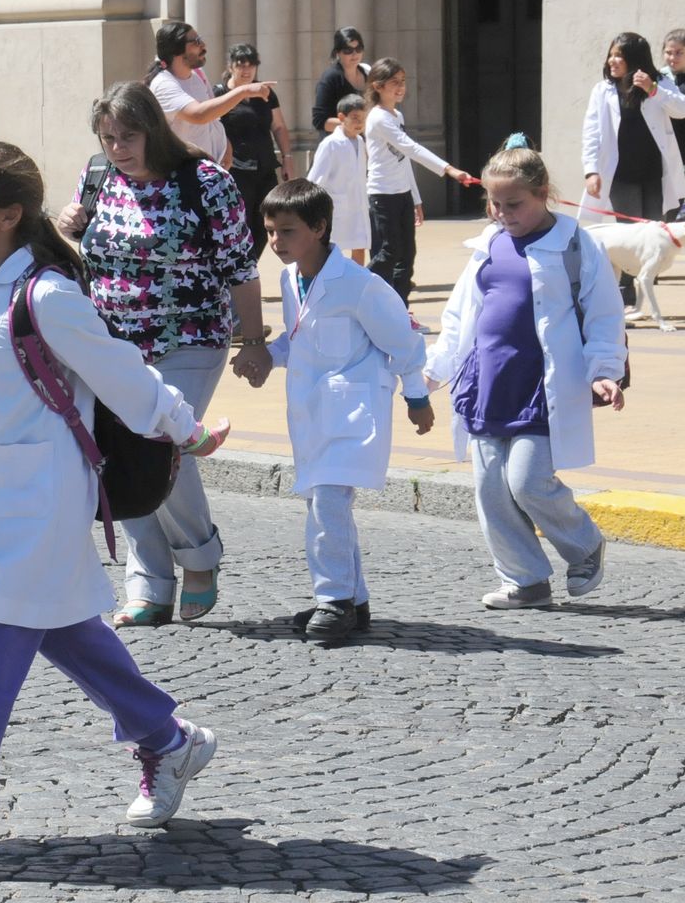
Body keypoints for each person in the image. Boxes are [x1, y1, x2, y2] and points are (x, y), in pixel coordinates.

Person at [0, 141, 228, 874]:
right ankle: (169, 740)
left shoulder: (46, 294)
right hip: (1, 500)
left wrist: (185, 426)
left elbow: (120, 369)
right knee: (67, 633)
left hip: (40, 503)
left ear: (9, 214)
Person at [56, 81, 270, 628]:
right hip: (111, 342)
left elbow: (242, 270)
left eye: (128, 136)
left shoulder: (206, 184)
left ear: (154, 130)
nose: (118, 148)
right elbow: (89, 251)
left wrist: (255, 341)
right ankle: (149, 582)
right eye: (108, 138)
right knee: (119, 452)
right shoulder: (98, 177)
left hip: (189, 337)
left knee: (160, 438)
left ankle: (200, 556)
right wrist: (68, 227)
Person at [424, 137, 626, 610]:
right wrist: (435, 369)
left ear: (543, 193)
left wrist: (603, 371)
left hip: (542, 386)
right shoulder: (490, 243)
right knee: (490, 487)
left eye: (513, 203)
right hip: (488, 382)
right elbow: (461, 313)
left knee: (528, 479)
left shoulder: (576, 243)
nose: (502, 213)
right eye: (494, 203)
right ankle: (526, 580)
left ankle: (584, 544)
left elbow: (603, 315)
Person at [245, 179, 433, 642]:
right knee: (324, 503)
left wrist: (417, 397)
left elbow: (404, 342)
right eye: (270, 231)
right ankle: (355, 601)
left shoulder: (359, 285)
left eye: (286, 232)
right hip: (311, 413)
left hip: (353, 412)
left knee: (328, 504)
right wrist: (269, 355)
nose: (275, 242)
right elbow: (301, 337)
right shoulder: (291, 279)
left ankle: (333, 599)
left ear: (319, 227)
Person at [579, 31, 685, 308]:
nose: (613, 60)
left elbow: (682, 110)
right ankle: (625, 297)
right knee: (628, 233)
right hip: (620, 174)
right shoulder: (602, 89)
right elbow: (591, 132)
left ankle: (642, 300)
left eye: (620, 56)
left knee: (650, 234)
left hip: (654, 173)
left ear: (635, 59)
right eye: (612, 54)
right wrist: (591, 170)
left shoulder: (658, 82)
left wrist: (654, 90)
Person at [363, 57, 474, 310]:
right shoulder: (378, 118)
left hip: (401, 194)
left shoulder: (395, 115)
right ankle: (357, 290)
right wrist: (449, 170)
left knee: (407, 255)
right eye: (394, 83)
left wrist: (415, 199)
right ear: (378, 86)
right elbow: (410, 148)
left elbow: (403, 160)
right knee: (389, 253)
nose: (401, 87)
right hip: (382, 194)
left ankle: (399, 310)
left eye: (402, 82)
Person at [146, 21, 276, 167]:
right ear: (177, 50)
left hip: (208, 169)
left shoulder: (197, 74)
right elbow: (199, 114)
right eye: (196, 42)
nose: (203, 46)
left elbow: (213, 117)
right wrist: (244, 91)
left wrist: (225, 146)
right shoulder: (164, 84)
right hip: (182, 172)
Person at [213, 43, 293, 265]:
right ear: (231, 66)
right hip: (236, 168)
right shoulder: (220, 93)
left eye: (251, 65)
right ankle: (237, 270)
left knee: (266, 220)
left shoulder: (265, 92)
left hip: (265, 166)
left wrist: (287, 158)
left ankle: (249, 266)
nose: (246, 70)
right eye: (241, 65)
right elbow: (210, 128)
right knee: (241, 221)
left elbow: (278, 126)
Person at [307, 93, 371, 264]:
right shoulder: (330, 143)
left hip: (358, 205)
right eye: (355, 118)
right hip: (335, 207)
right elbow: (315, 178)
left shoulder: (360, 141)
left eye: (363, 119)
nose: (360, 123)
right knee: (332, 249)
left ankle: (357, 283)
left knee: (360, 244)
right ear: (342, 117)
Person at [311, 26, 370, 134]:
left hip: (364, 143)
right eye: (348, 50)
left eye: (358, 49)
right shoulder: (330, 78)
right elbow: (319, 120)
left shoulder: (367, 72)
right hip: (340, 144)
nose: (354, 54)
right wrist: (353, 123)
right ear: (338, 52)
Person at [662, 28, 685, 174]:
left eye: (679, 52)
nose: (673, 57)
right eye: (668, 52)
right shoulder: (657, 80)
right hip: (663, 159)